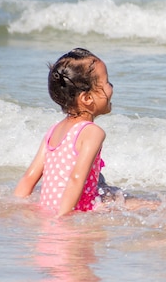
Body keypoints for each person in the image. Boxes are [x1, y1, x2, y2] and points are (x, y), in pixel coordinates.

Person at [14, 48, 113, 217]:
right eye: (107, 83)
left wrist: (15, 209)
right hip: (74, 210)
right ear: (87, 98)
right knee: (149, 206)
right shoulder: (92, 132)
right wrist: (62, 218)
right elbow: (76, 179)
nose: (111, 87)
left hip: (48, 209)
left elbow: (28, 179)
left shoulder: (54, 130)